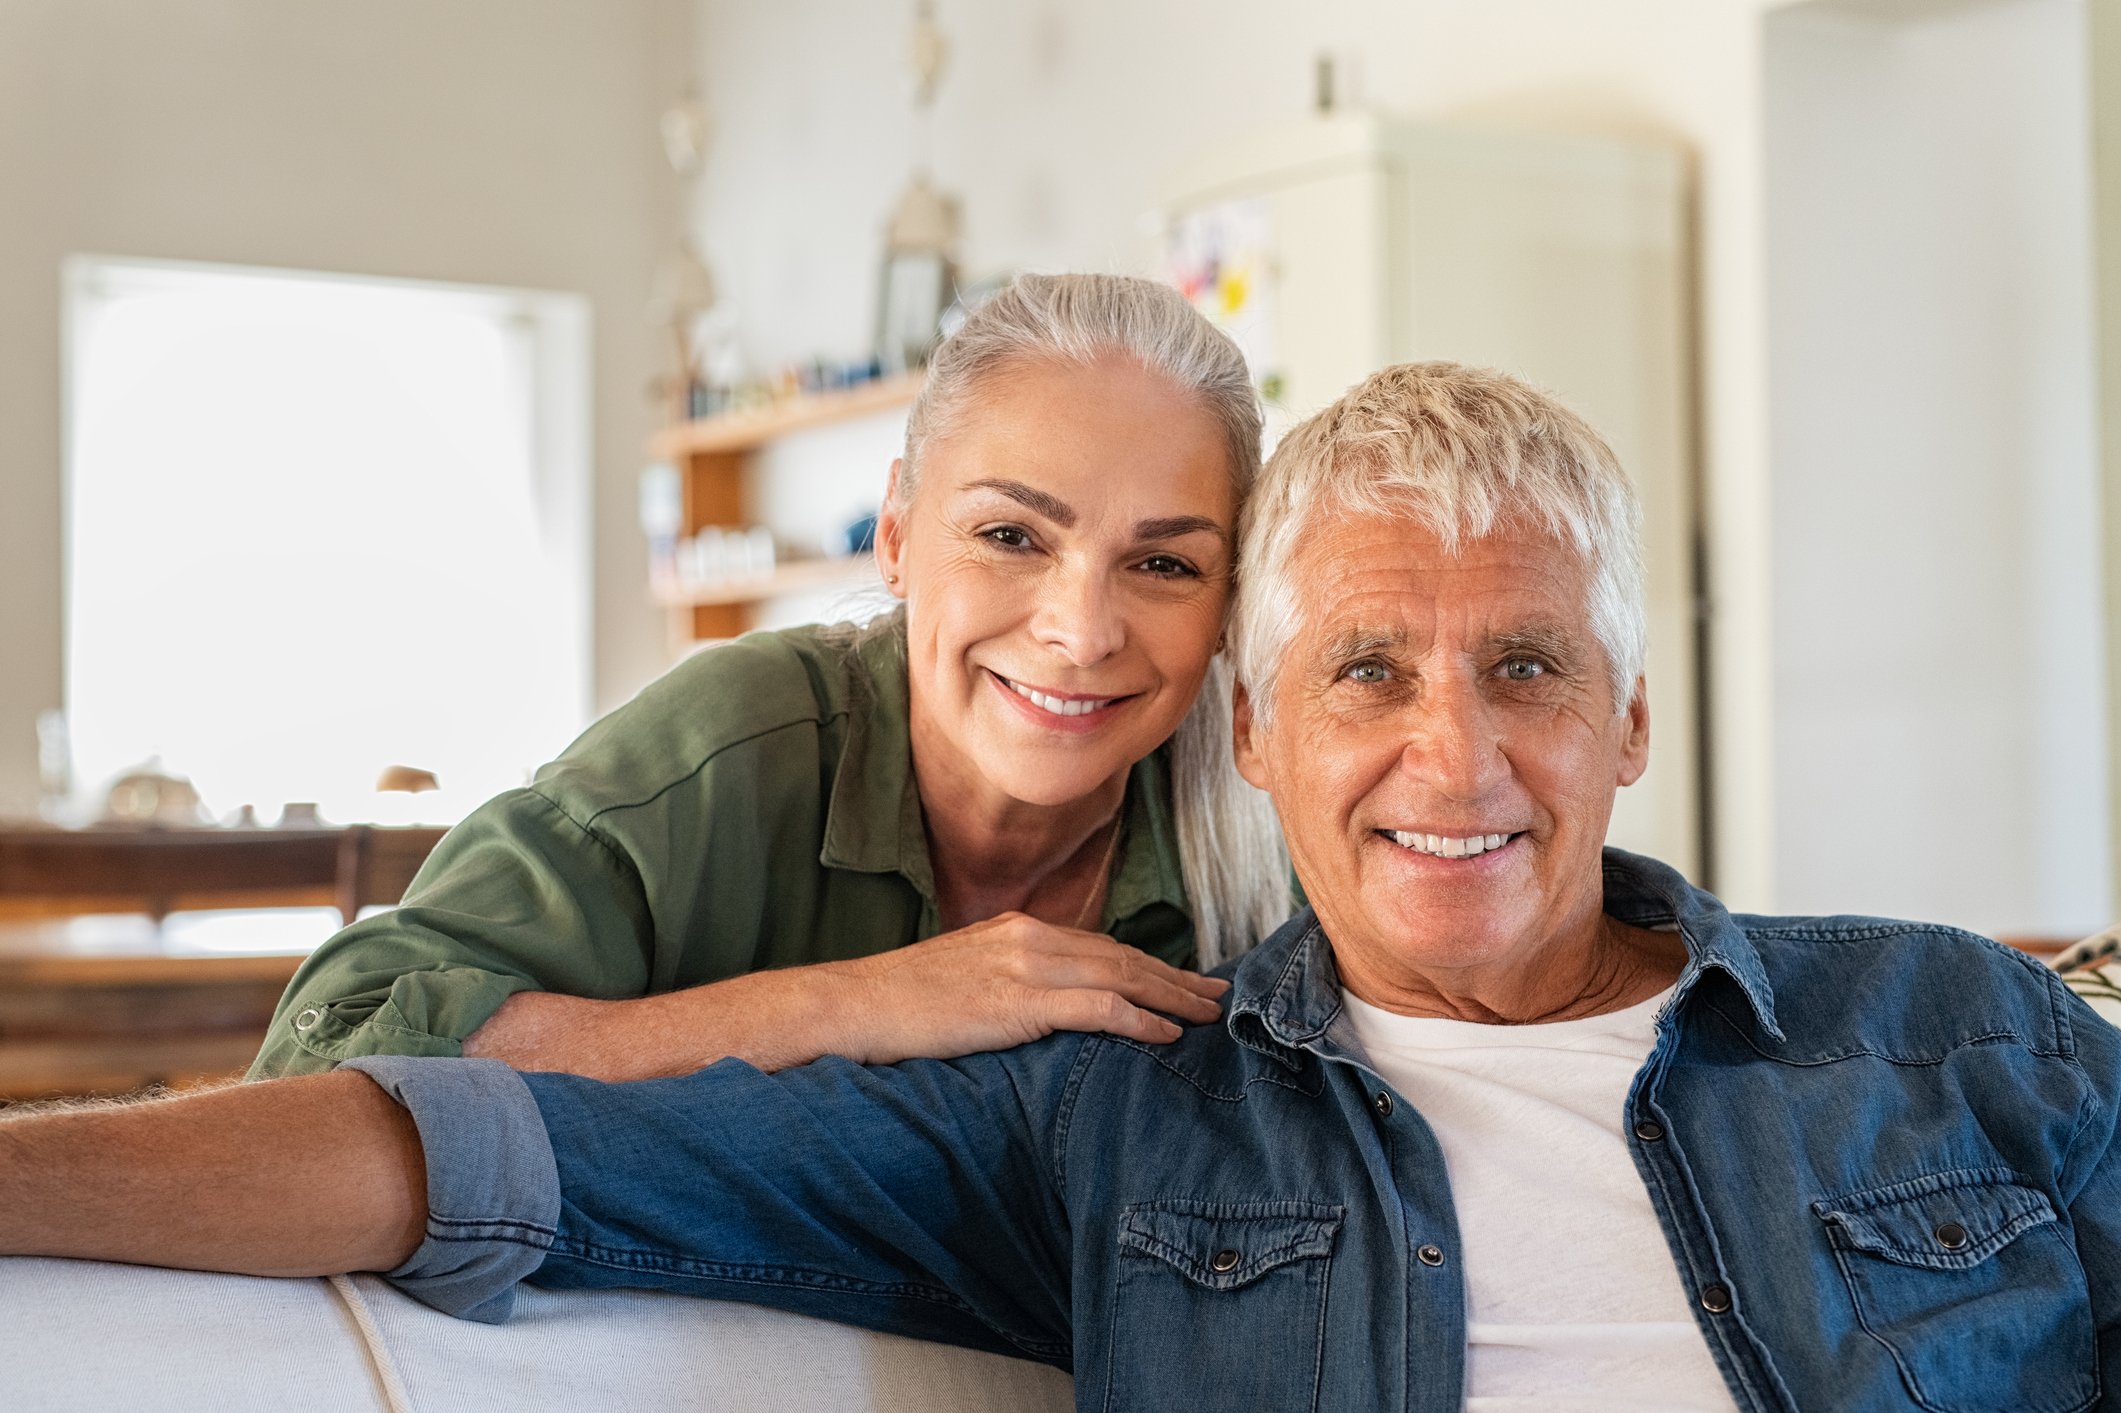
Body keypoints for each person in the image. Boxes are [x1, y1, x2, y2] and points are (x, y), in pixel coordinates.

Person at [7, 363, 2116, 1411]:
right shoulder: (1116, 1098)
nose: (1453, 754)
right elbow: (486, 1156)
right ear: (1259, 731)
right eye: (1366, 670)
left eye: (1529, 668)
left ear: (1630, 719)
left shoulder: (1952, 1034)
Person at [250, 272, 1289, 1082]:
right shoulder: (734, 745)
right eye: (1011, 535)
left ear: (1229, 602)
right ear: (894, 535)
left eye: (1164, 564)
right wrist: (855, 1005)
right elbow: (328, 1050)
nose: (1081, 630)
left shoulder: (1270, 820)